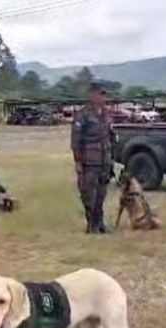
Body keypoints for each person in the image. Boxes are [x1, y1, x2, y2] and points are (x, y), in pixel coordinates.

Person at [71, 82, 114, 233]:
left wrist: (111, 157)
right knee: (89, 194)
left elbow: (109, 136)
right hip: (89, 161)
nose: (103, 97)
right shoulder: (83, 115)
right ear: (92, 95)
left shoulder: (105, 114)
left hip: (104, 160)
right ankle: (91, 224)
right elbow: (76, 141)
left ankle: (100, 223)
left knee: (102, 193)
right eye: (100, 94)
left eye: (104, 94)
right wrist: (78, 162)